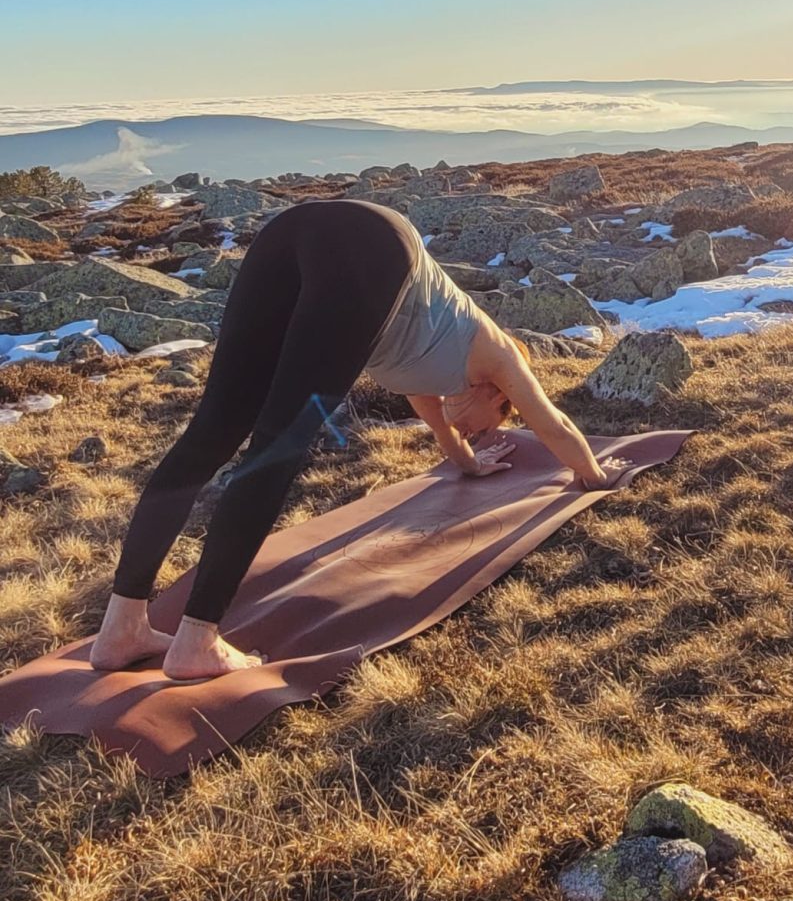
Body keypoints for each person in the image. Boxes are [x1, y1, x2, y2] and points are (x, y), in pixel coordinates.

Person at [90, 198, 632, 680]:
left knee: (212, 432)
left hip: (294, 230)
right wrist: (596, 475)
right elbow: (553, 422)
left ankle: (122, 629)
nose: (486, 426)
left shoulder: (432, 380)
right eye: (497, 417)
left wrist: (469, 462)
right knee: (277, 446)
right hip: (374, 247)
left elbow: (444, 433)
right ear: (494, 390)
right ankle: (197, 640)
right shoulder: (497, 354)